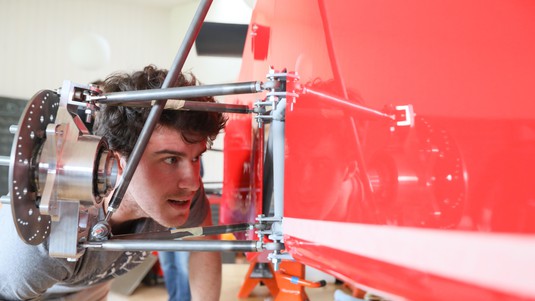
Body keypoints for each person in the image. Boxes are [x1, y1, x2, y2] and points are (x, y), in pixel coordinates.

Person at [0, 65, 225, 300]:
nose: (193, 184)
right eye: (170, 159)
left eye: (196, 157)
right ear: (113, 162)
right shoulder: (38, 244)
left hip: (91, 288)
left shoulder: (181, 198)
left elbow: (204, 243)